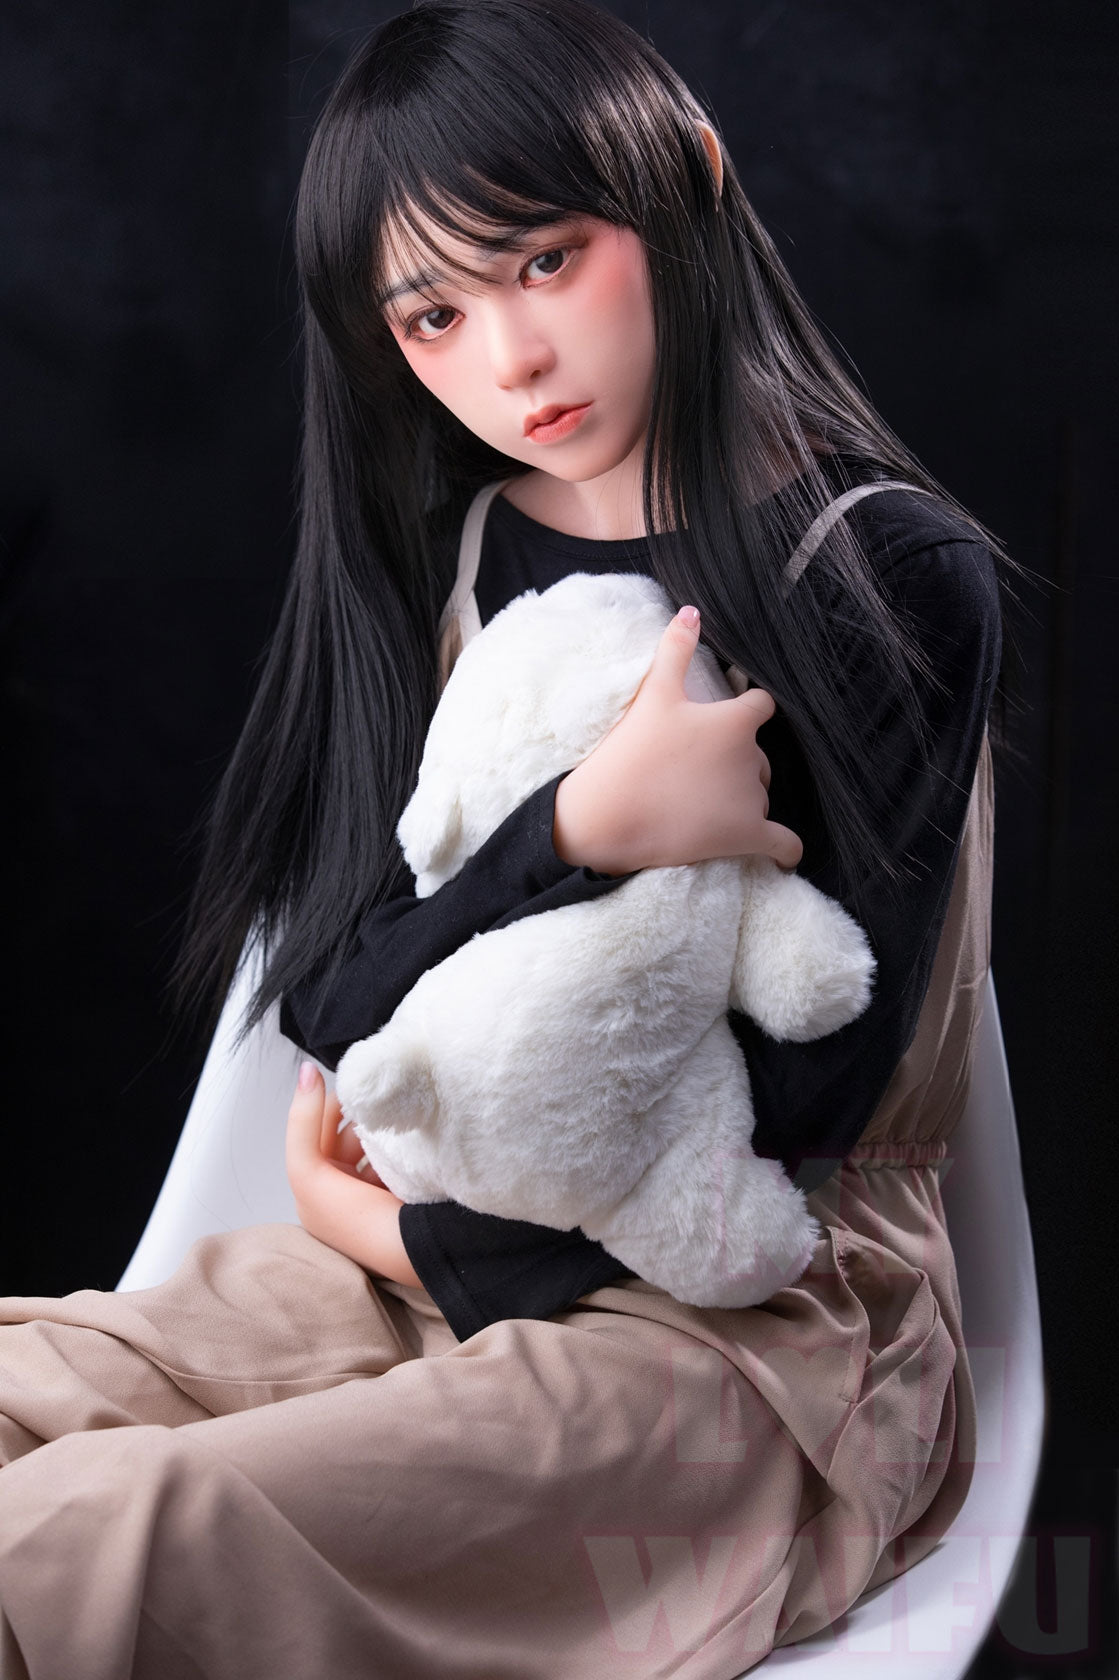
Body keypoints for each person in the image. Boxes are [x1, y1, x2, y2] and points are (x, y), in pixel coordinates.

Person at [0, 1, 1012, 1674]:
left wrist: (404, 1238)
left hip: (749, 1331)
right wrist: (574, 830)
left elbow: (795, 1127)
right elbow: (335, 995)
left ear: (689, 184)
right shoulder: (462, 550)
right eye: (433, 314)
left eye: (545, 261)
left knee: (88, 1542)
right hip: (433, 1252)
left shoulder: (889, 574)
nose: (512, 360)